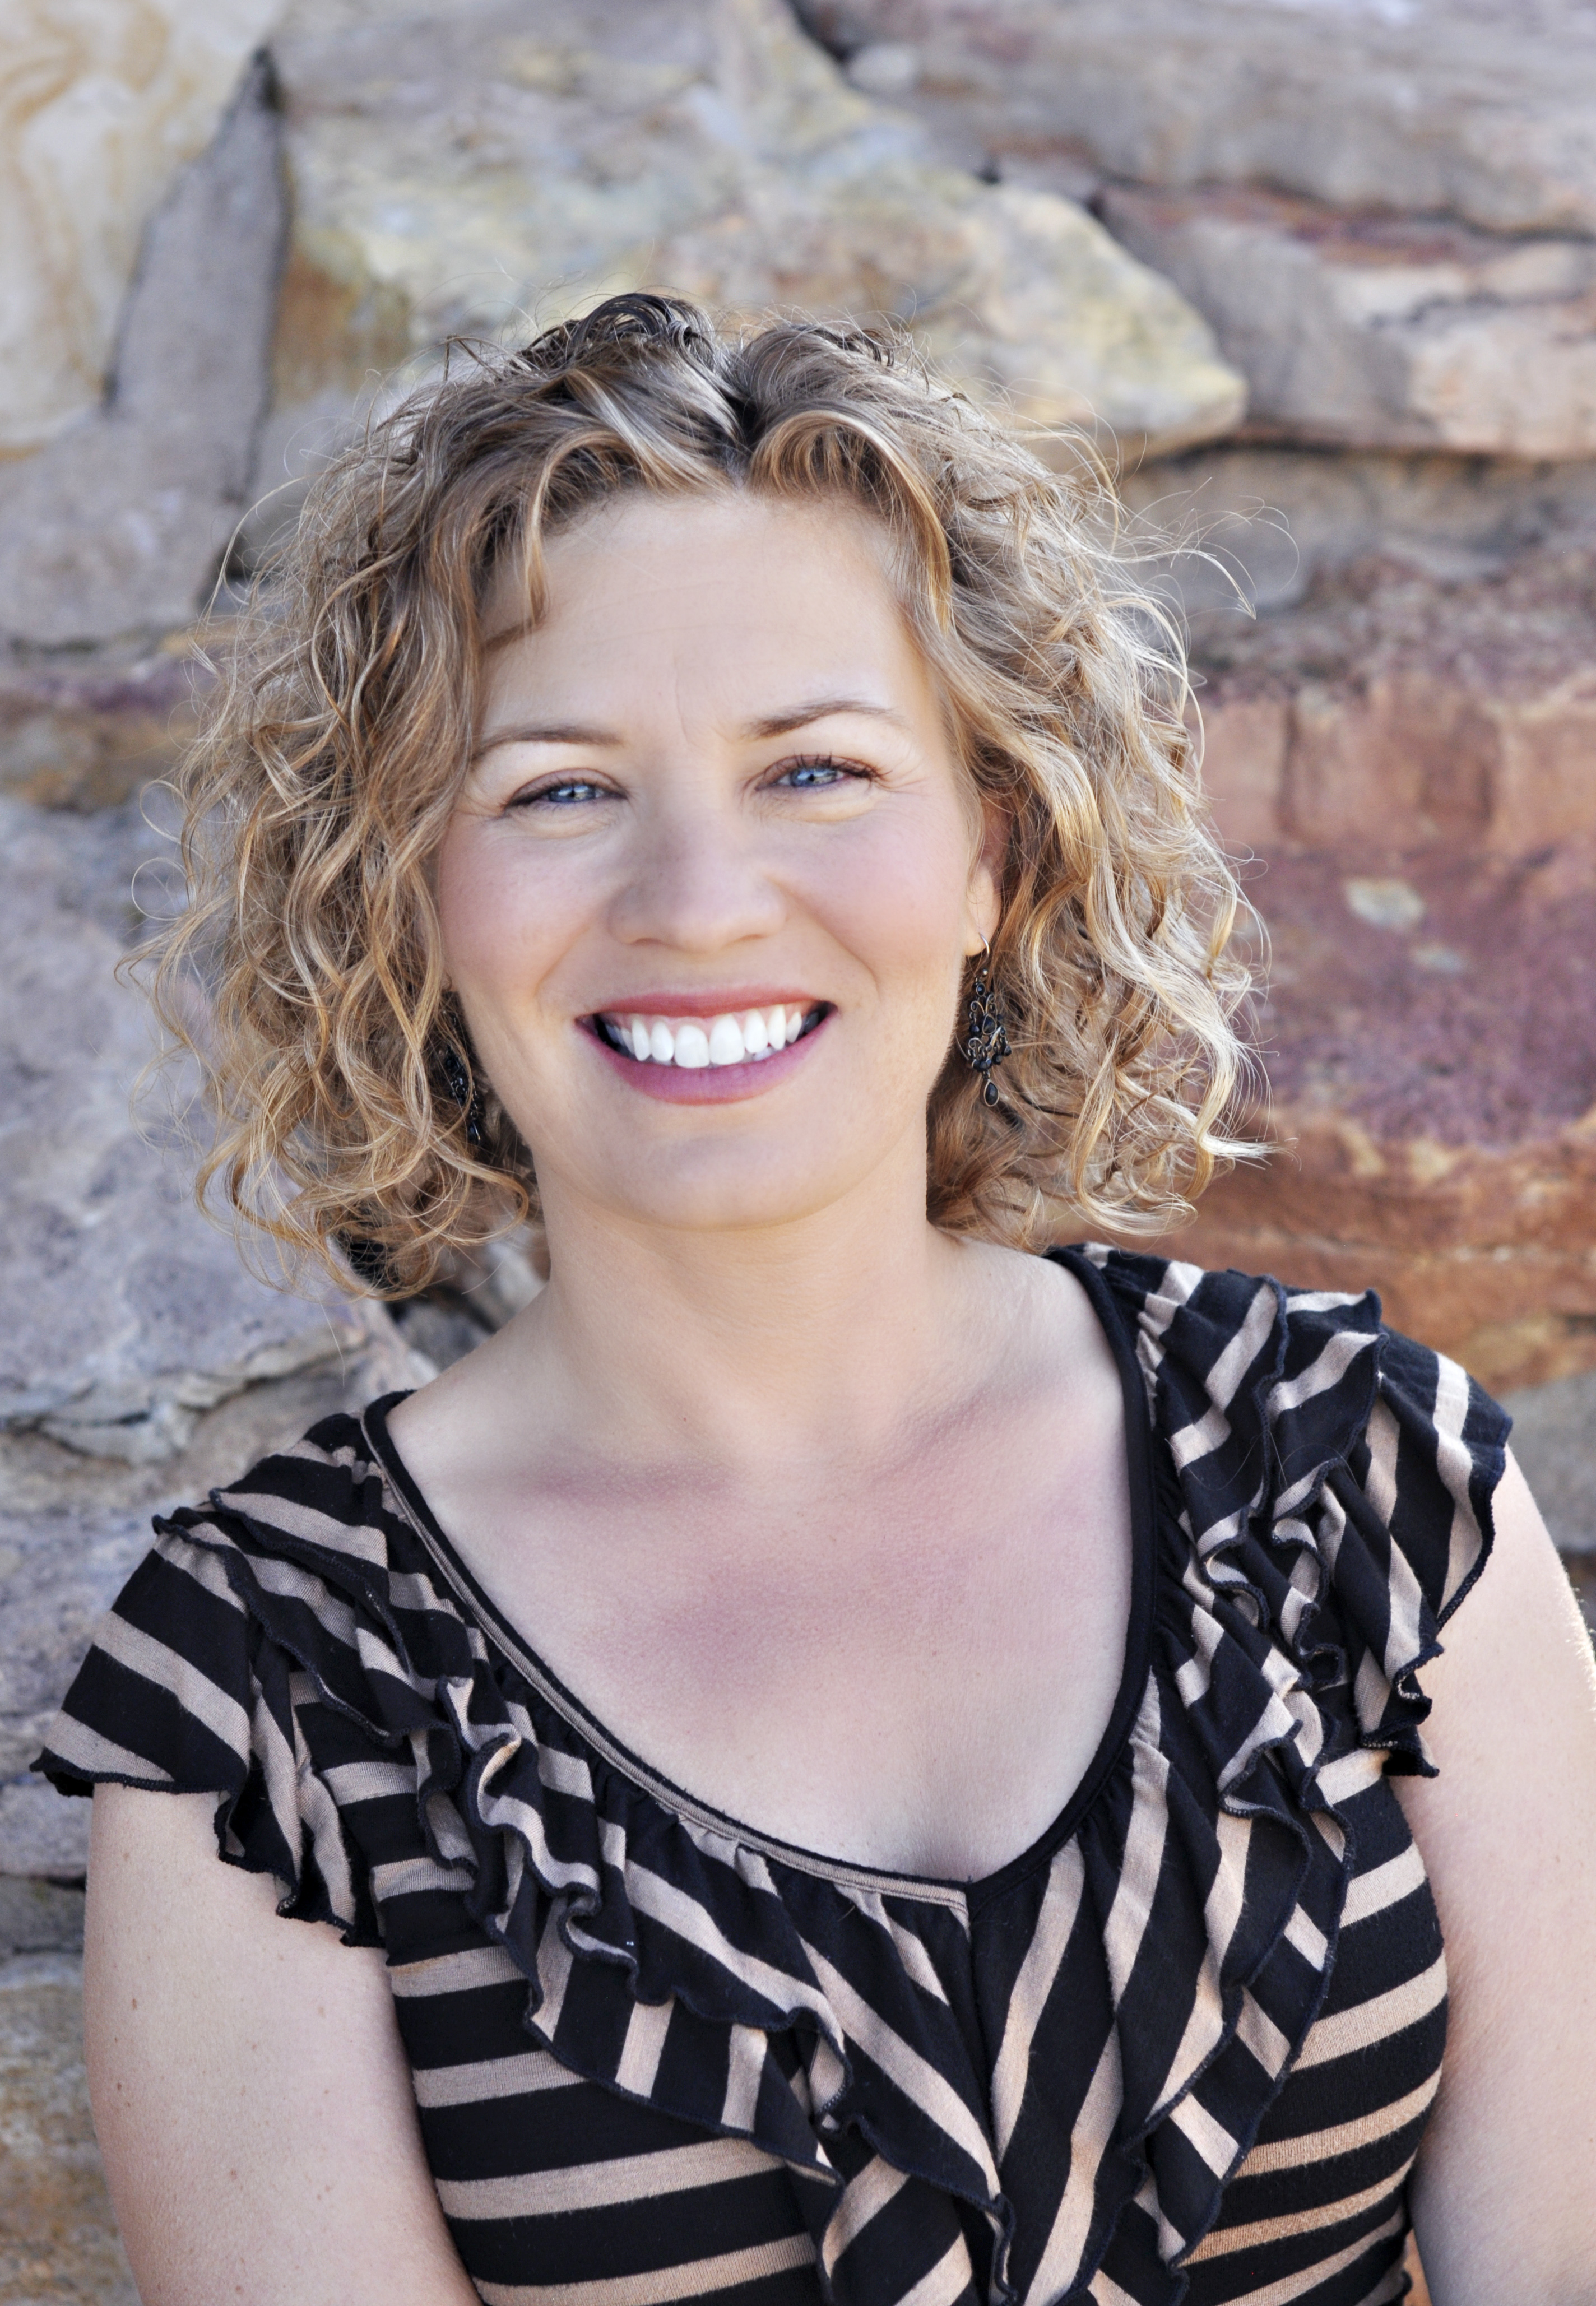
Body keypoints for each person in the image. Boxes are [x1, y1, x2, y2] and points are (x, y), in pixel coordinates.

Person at [35, 295, 1596, 2306]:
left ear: (995, 851)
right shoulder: (269, 1699)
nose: (699, 899)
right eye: (559, 789)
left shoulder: (1370, 1479)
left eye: (818, 769)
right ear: (411, 894)